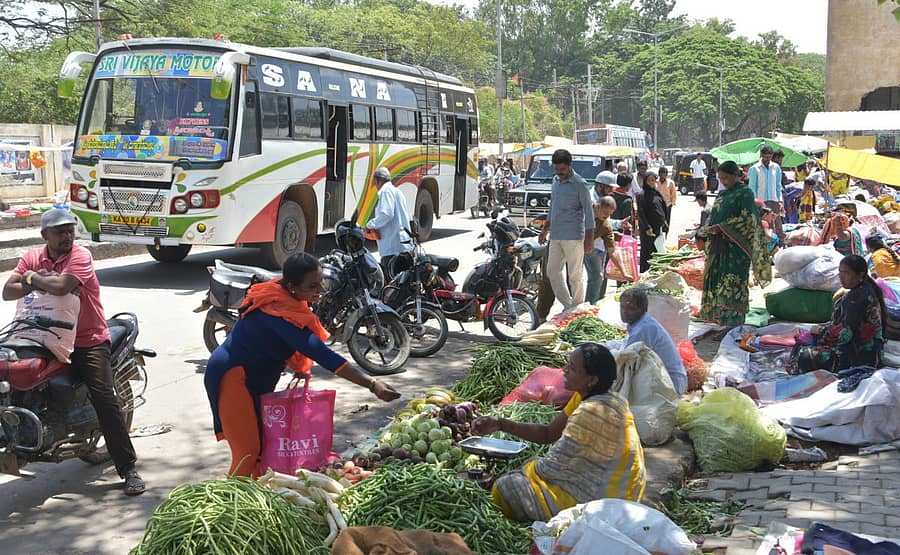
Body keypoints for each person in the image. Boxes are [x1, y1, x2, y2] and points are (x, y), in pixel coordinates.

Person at [204, 253, 401, 477]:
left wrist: (299, 367)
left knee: (263, 445)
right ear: (292, 286)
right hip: (232, 377)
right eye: (312, 286)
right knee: (248, 451)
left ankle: (258, 497)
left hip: (255, 378)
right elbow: (325, 357)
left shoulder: (287, 301)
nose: (320, 290)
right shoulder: (278, 313)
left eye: (321, 282)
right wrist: (373, 384)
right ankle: (233, 504)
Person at [2, 209, 145, 495]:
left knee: (104, 398)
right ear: (45, 235)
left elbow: (63, 285)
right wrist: (38, 278)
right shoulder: (33, 257)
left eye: (70, 230)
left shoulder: (80, 256)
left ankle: (128, 468)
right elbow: (8, 290)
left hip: (87, 339)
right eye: (60, 231)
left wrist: (31, 279)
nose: (67, 236)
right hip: (43, 336)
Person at [471, 343, 645, 522]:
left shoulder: (592, 412)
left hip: (605, 501)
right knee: (527, 471)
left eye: (573, 368)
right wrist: (500, 424)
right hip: (620, 491)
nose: (565, 370)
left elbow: (551, 469)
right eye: (568, 364)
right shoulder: (592, 397)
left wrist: (525, 470)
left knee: (507, 487)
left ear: (591, 380)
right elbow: (548, 433)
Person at [699, 161, 772, 327]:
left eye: (726, 177)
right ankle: (722, 322)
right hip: (719, 247)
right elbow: (714, 216)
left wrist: (723, 227)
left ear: (735, 175)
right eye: (720, 178)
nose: (723, 181)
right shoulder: (723, 195)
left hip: (737, 249)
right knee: (719, 282)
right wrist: (708, 228)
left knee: (733, 283)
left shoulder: (745, 193)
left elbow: (749, 220)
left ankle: (734, 324)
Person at [792, 255, 885, 373]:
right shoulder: (858, 292)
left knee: (804, 355)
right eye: (840, 272)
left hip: (860, 355)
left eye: (846, 273)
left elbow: (845, 334)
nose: (841, 276)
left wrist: (820, 331)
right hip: (856, 348)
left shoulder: (859, 298)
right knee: (803, 344)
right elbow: (842, 323)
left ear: (860, 275)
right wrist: (824, 328)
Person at [539, 149, 595, 310]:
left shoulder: (580, 184)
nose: (559, 173)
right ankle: (568, 305)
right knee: (552, 272)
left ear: (570, 165)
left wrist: (589, 239)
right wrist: (545, 230)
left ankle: (577, 307)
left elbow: (589, 212)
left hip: (574, 236)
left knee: (575, 276)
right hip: (555, 235)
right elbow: (553, 208)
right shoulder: (555, 181)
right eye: (557, 170)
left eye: (562, 170)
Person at [619, 289, 687, 394]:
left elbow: (628, 364)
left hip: (670, 384)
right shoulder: (639, 323)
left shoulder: (643, 329)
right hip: (664, 378)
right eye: (622, 307)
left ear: (644, 309)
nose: (625, 311)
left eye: (631, 308)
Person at [365, 167, 411, 277]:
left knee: (391, 285)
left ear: (377, 181)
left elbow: (386, 214)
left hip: (392, 247)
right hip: (403, 245)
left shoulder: (385, 191)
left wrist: (370, 225)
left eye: (375, 183)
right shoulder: (397, 191)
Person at [585, 196, 627, 303]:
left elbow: (612, 251)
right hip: (571, 244)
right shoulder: (582, 211)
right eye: (606, 213)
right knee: (573, 279)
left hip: (592, 249)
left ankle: (590, 305)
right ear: (598, 207)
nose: (607, 217)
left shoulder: (605, 225)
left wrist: (623, 272)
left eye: (610, 214)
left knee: (597, 277)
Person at [748, 145, 785, 243]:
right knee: (762, 226)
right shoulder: (754, 169)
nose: (767, 160)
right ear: (761, 155)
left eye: (769, 157)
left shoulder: (776, 168)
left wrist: (780, 201)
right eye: (765, 157)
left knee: (777, 225)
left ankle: (779, 245)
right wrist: (754, 204)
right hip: (761, 203)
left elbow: (778, 186)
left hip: (774, 201)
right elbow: (752, 188)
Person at [635, 169, 667, 274]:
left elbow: (662, 207)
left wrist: (664, 221)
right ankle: (644, 273)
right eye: (650, 180)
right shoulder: (641, 194)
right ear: (645, 181)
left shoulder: (656, 193)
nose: (652, 183)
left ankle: (654, 273)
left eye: (654, 180)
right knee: (647, 251)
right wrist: (647, 227)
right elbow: (641, 213)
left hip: (657, 228)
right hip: (648, 229)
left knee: (657, 250)